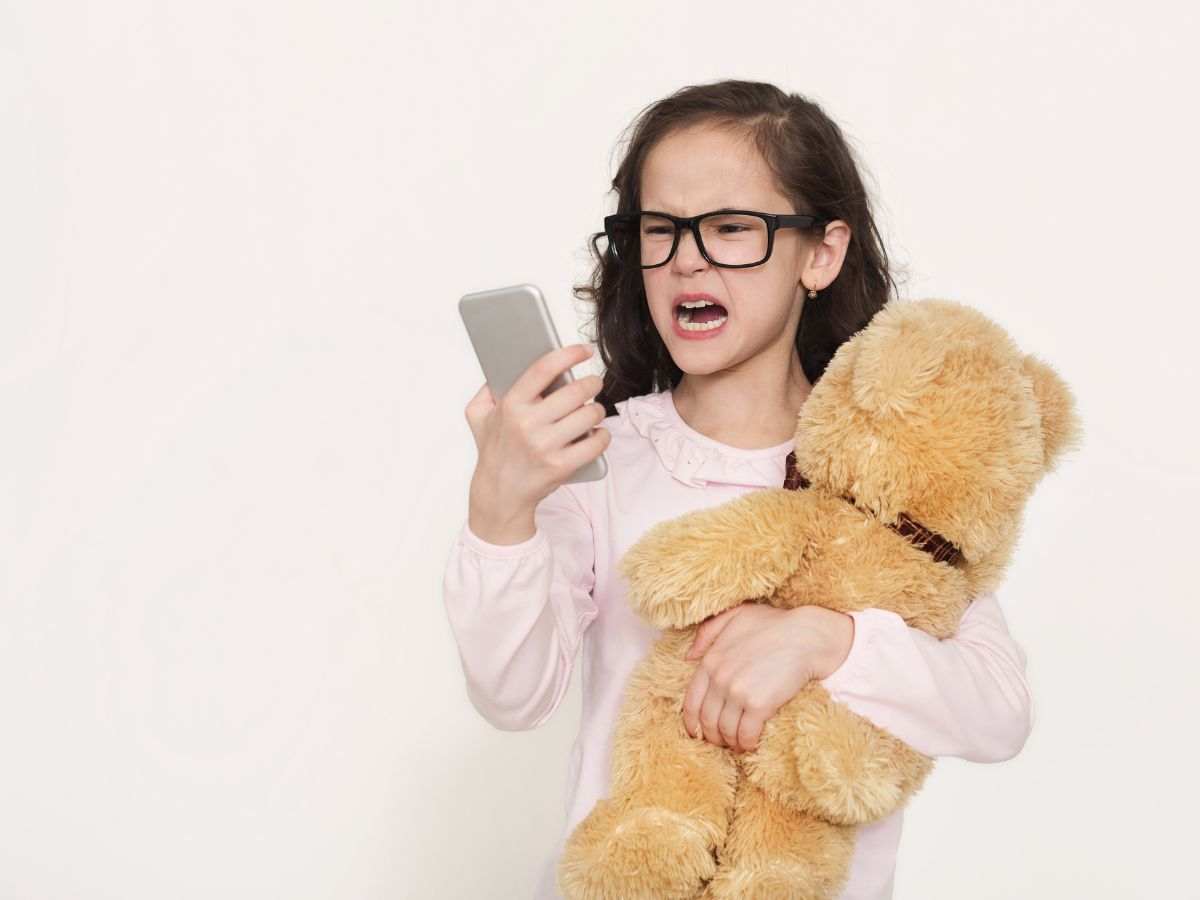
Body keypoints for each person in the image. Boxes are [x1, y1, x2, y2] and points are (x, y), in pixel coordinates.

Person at [442, 79, 1033, 900]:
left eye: (730, 228)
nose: (687, 257)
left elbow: (999, 712)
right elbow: (513, 696)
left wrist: (826, 641)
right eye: (659, 229)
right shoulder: (605, 463)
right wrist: (500, 508)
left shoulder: (890, 464)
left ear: (821, 254)